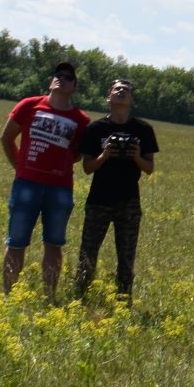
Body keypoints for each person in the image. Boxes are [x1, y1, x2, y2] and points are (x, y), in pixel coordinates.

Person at [0, 60, 91, 299]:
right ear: (51, 81)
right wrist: (18, 166)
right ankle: (9, 297)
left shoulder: (81, 120)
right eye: (58, 74)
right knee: (16, 241)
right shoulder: (29, 105)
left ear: (75, 88)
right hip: (26, 185)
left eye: (68, 77)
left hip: (60, 190)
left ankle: (49, 296)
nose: (62, 78)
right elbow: (6, 138)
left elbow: (78, 153)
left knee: (54, 243)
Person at [73, 78, 159, 304]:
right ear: (108, 97)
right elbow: (87, 168)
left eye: (126, 90)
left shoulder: (143, 129)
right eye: (116, 89)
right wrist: (104, 155)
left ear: (131, 99)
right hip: (99, 199)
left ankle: (123, 299)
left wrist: (136, 155)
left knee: (126, 254)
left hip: (129, 200)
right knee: (88, 251)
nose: (121, 91)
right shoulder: (96, 128)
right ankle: (81, 295)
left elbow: (149, 168)